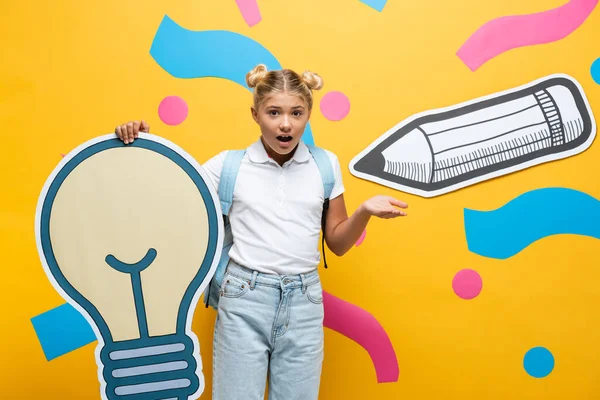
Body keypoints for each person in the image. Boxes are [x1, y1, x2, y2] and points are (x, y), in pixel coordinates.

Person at [114, 64, 408, 400]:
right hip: (243, 298)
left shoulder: (325, 165)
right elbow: (171, 202)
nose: (286, 123)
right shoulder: (227, 166)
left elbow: (338, 244)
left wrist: (363, 212)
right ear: (255, 114)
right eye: (274, 112)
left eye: (296, 113)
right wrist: (143, 145)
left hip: (305, 301)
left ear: (308, 114)